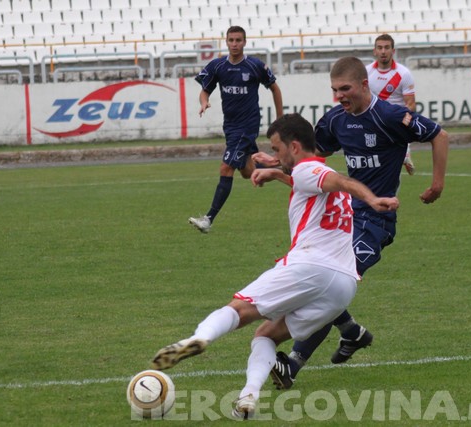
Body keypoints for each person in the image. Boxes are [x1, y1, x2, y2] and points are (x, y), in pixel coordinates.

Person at [151, 113, 399, 419]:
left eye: (278, 148)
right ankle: (248, 397)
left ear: (295, 147)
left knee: (240, 310)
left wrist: (372, 199)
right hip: (342, 286)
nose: (274, 155)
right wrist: (278, 173)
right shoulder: (311, 173)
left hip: (310, 266)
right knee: (266, 336)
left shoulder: (312, 169)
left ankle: (198, 338)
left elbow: (338, 181)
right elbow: (313, 182)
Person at [254, 56, 449, 389]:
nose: (340, 96)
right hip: (344, 217)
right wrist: (278, 165)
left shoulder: (389, 115)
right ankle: (352, 332)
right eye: (334, 90)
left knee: (331, 284)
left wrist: (437, 184)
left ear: (363, 84)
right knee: (325, 282)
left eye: (345, 89)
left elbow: (439, 135)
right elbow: (313, 158)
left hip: (376, 221)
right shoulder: (336, 120)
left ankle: (294, 363)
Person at [188, 25, 284, 233]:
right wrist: (204, 102)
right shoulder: (218, 66)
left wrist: (280, 119)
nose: (234, 44)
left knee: (226, 168)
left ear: (244, 42)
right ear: (226, 42)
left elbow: (275, 88)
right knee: (248, 172)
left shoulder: (254, 66)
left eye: (238, 40)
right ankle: (287, 169)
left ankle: (208, 219)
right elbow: (204, 91)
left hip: (247, 125)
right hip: (230, 126)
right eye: (231, 40)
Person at [367, 33, 417, 175]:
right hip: (374, 121)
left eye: (387, 48)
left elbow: (411, 104)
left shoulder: (403, 74)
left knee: (387, 169)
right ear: (374, 51)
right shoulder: (366, 72)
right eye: (380, 48)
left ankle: (404, 151)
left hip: (395, 121)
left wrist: (404, 123)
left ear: (393, 51)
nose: (383, 51)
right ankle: (404, 153)